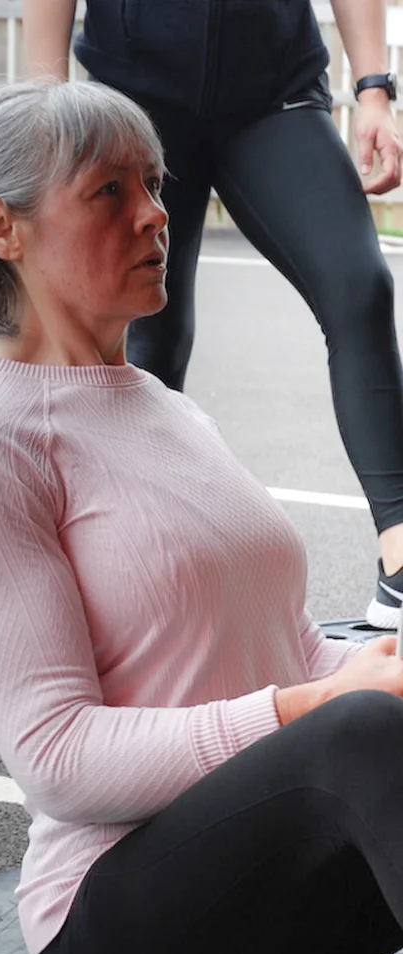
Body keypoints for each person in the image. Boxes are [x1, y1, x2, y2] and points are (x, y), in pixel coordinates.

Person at [0, 78, 403, 954]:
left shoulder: (167, 406)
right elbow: (55, 758)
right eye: (109, 192)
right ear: (1, 226)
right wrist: (313, 709)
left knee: (369, 709)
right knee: (358, 738)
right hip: (122, 930)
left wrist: (364, 670)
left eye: (156, 183)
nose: (156, 215)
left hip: (270, 901)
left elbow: (291, 646)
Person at [24, 0, 403, 631]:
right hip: (134, 99)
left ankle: (401, 564)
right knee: (151, 339)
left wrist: (373, 90)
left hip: (273, 97)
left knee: (359, 287)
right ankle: (132, 572)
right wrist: (44, 97)